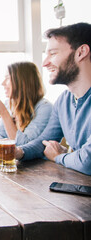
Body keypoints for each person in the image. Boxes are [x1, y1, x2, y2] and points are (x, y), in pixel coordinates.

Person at [14, 22, 91, 176]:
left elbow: (87, 161)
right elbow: (44, 141)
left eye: (53, 53)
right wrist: (19, 152)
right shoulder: (63, 101)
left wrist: (58, 157)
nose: (45, 63)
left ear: (81, 52)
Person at [0, 61, 52, 155]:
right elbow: (0, 134)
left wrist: (4, 113)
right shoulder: (9, 104)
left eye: (8, 78)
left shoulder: (44, 108)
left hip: (41, 165)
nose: (2, 83)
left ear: (23, 81)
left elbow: (23, 146)